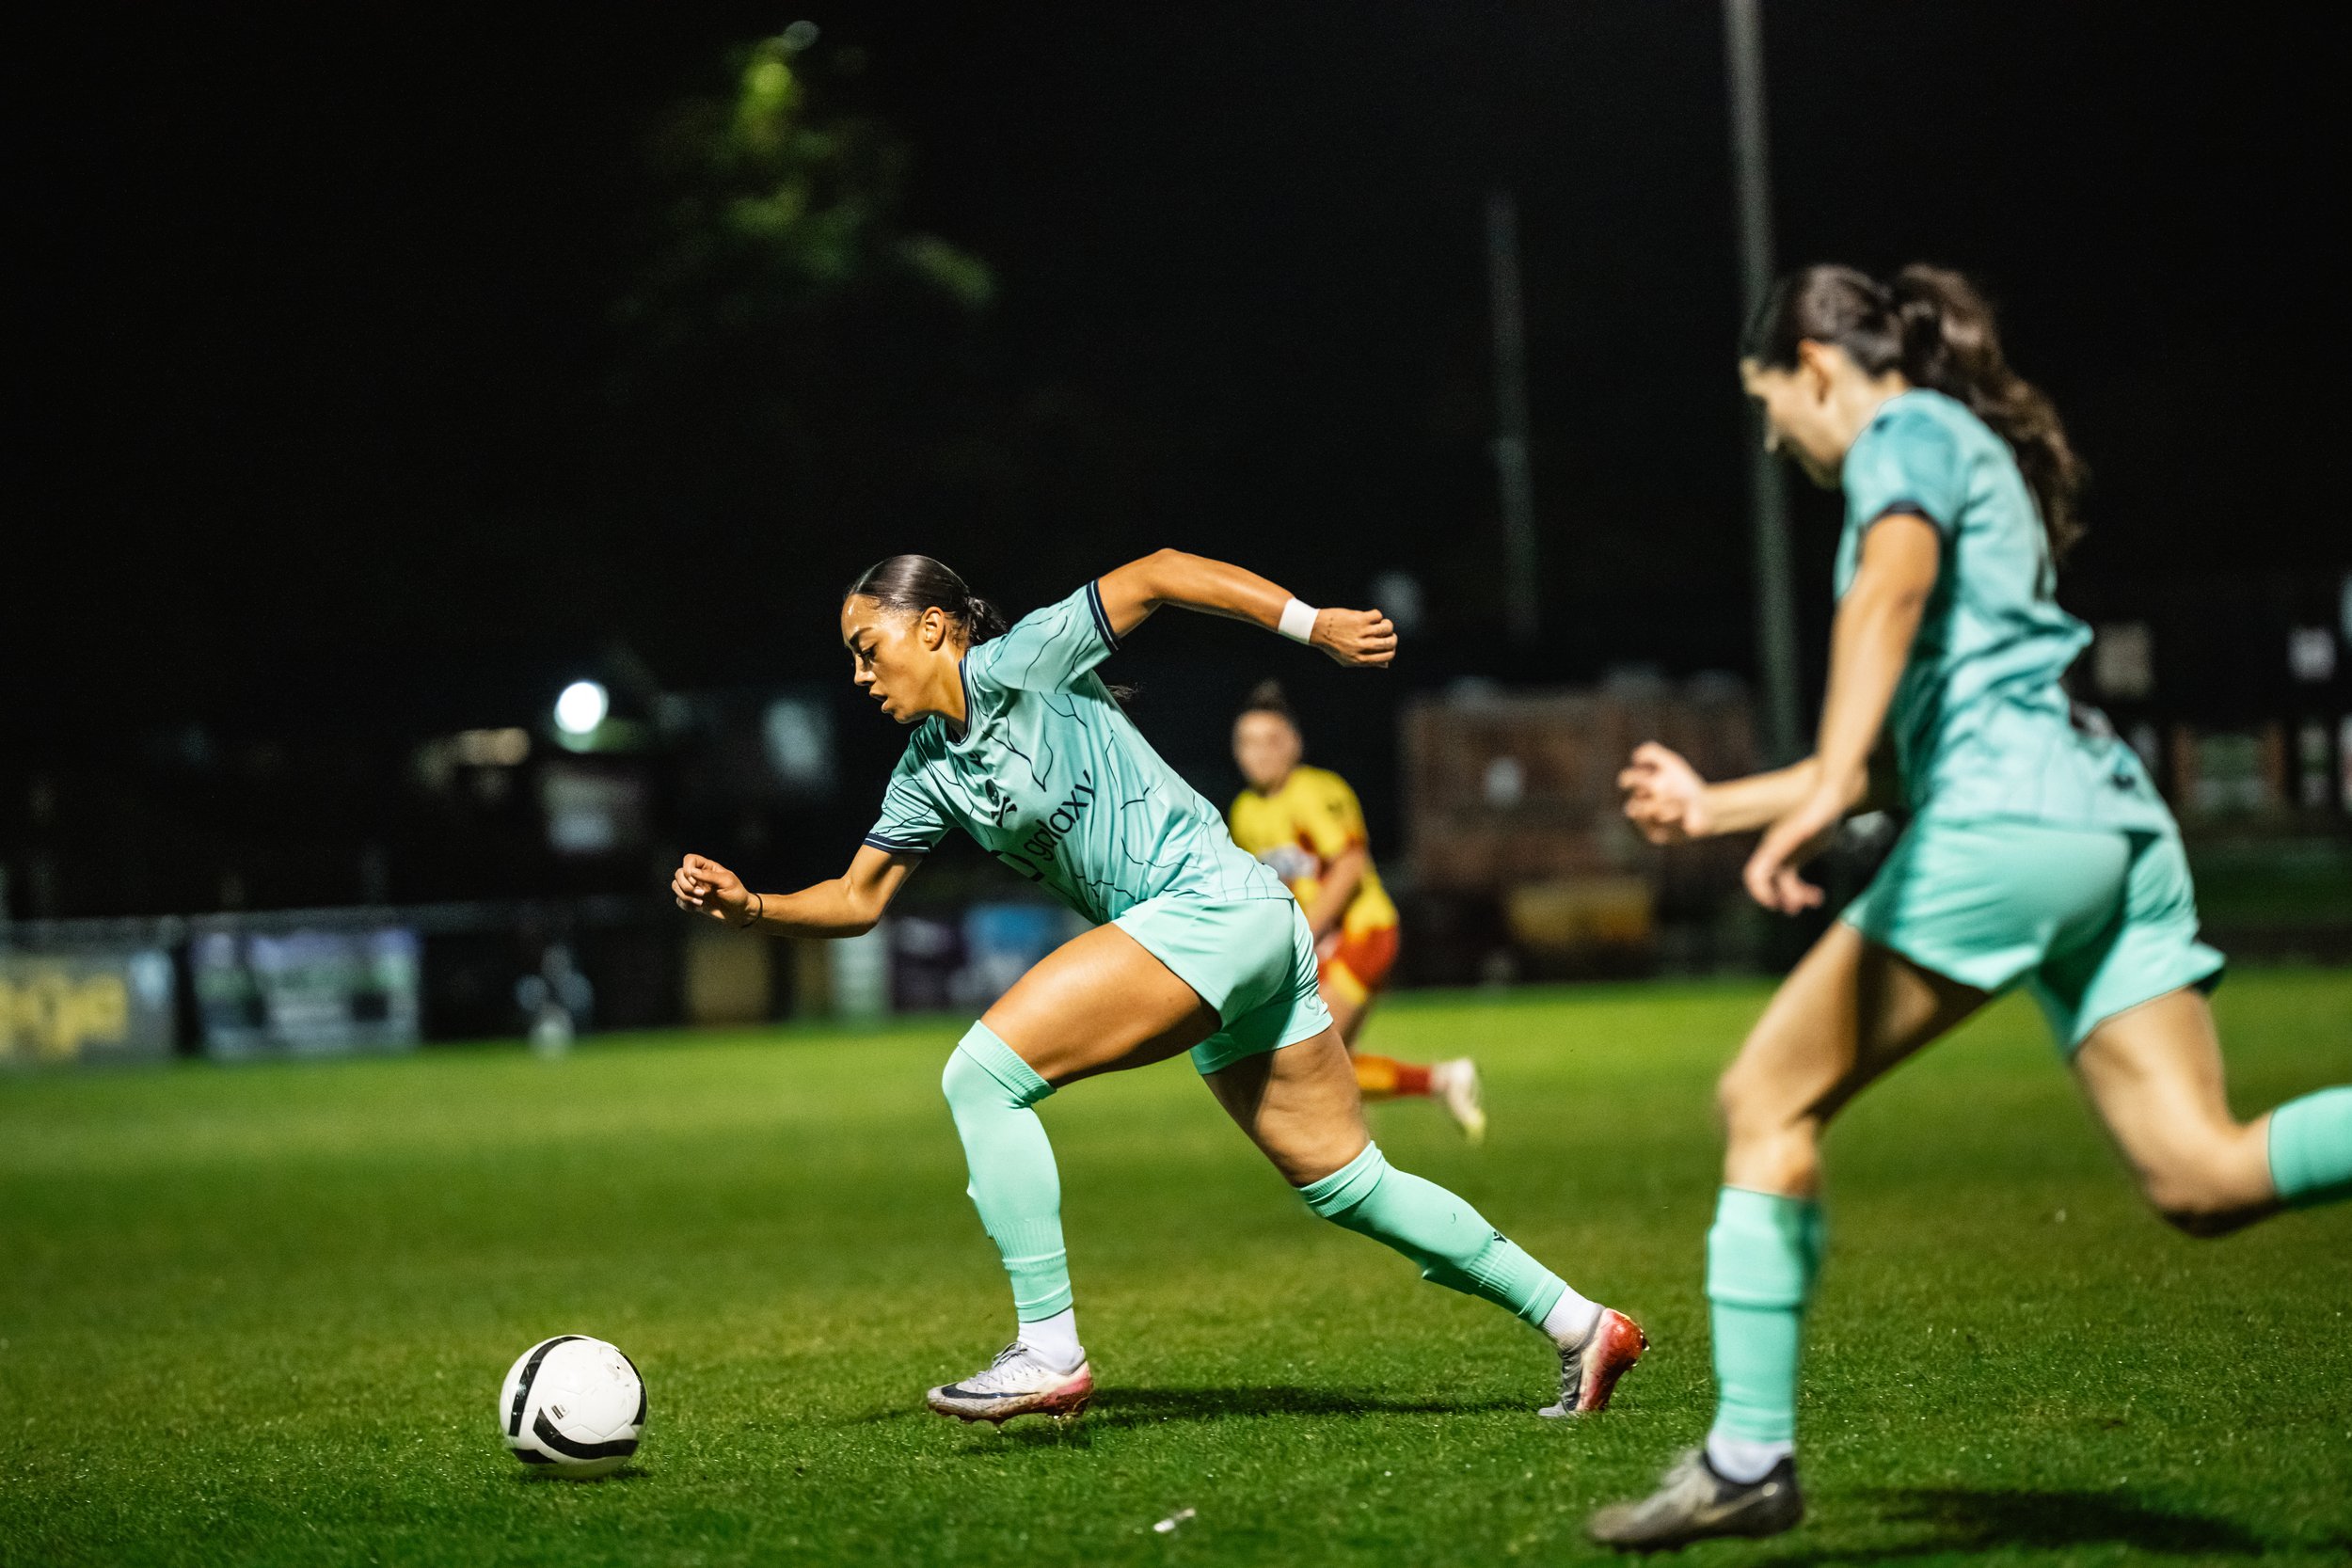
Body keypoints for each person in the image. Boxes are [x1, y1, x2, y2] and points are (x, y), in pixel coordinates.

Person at [1589, 264, 2352, 1548]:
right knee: (2203, 1172)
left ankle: (1746, 1457)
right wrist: (1721, 806)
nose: (1773, 436)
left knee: (1764, 1097)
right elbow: (1899, 757)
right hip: (2102, 819)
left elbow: (1888, 593)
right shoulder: (1955, 446)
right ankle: (1743, 1458)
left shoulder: (1905, 435)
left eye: (1768, 403)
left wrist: (1825, 782)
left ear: (1815, 366)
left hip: (2013, 821)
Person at [673, 551, 1646, 1426]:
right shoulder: (928, 770)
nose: (858, 673)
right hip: (1242, 925)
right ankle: (1582, 1322)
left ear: (931, 627)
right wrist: (753, 905)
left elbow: (1162, 573)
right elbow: (856, 898)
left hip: (1210, 911)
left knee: (982, 1077)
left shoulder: (1022, 662)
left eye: (866, 647)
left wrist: (1311, 623)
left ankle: (1048, 1349)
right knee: (1350, 1183)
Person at [1229, 682, 1486, 1139]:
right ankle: (1441, 1081)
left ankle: (1353, 1162)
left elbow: (1349, 867)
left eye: (1270, 741)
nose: (1258, 754)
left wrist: (1303, 933)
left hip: (1363, 933)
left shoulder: (1317, 791)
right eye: (1247, 743)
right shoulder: (1244, 812)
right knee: (1328, 1064)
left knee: (1306, 1057)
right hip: (1318, 944)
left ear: (1293, 745)